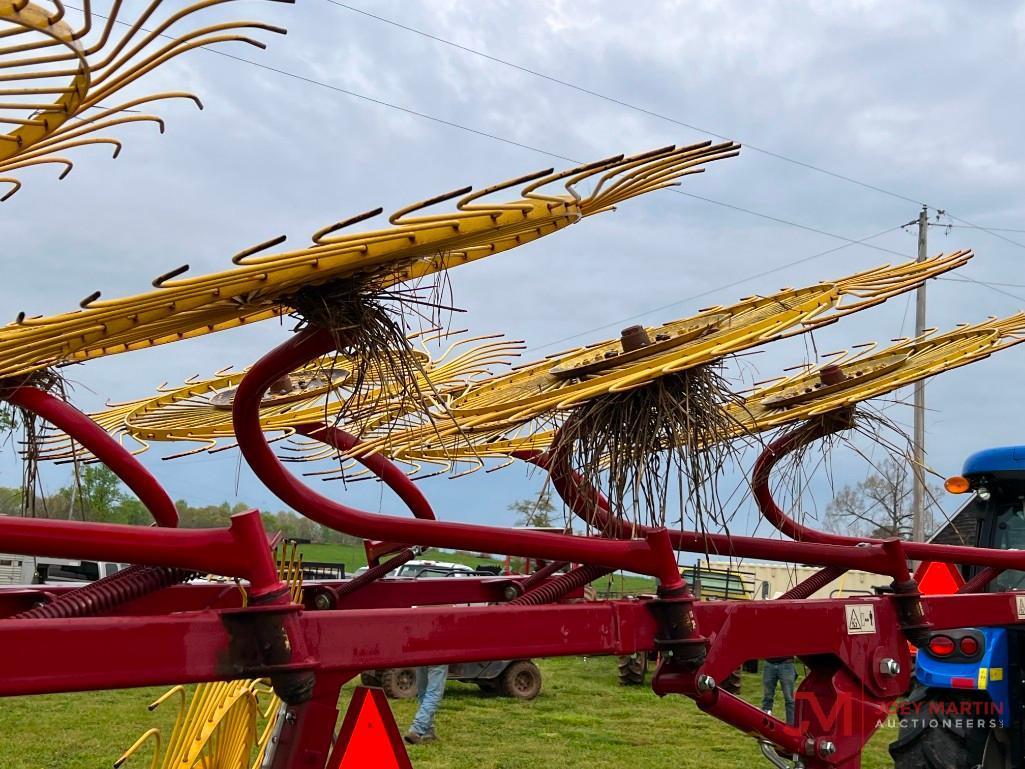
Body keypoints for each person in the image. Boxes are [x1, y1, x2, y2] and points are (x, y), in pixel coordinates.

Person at [405, 664, 448, 744]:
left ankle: (428, 731)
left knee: (423, 692)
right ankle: (417, 730)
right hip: (438, 655)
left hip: (421, 655)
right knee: (433, 694)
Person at [761, 656, 797, 725]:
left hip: (786, 663)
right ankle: (765, 721)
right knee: (767, 696)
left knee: (789, 698)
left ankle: (791, 724)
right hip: (769, 662)